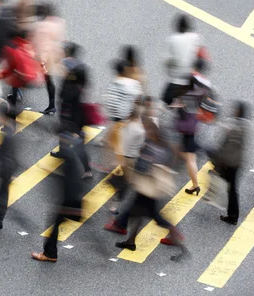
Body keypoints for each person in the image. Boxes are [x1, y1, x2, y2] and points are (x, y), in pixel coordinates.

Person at [106, 121, 186, 261]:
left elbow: (142, 166)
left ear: (154, 134)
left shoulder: (153, 147)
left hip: (147, 188)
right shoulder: (163, 148)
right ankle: (130, 240)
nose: (147, 133)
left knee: (153, 215)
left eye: (149, 131)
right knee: (138, 213)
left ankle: (175, 234)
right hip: (148, 187)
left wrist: (134, 166)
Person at [31, 129, 84, 262]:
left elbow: (69, 181)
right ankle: (50, 252)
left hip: (69, 200)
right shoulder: (73, 155)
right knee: (57, 223)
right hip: (73, 198)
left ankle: (50, 253)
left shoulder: (68, 155)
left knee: (55, 224)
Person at [207, 101, 249, 225]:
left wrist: (218, 158)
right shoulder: (245, 125)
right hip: (237, 162)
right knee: (232, 188)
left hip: (229, 163)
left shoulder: (233, 127)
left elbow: (227, 146)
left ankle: (232, 216)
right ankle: (232, 215)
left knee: (230, 187)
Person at [50, 59, 92, 179]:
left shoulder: (74, 90)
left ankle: (87, 170)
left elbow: (63, 96)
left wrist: (76, 130)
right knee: (63, 139)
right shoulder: (78, 86)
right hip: (67, 119)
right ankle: (62, 153)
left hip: (72, 122)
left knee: (78, 147)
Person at [0, 29, 43, 112]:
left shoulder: (12, 50)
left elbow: (10, 69)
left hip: (25, 77)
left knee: (15, 82)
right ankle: (16, 97)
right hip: (36, 76)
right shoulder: (28, 45)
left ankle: (13, 108)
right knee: (16, 84)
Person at [31, 2, 66, 114]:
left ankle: (52, 105)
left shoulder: (41, 26)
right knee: (49, 79)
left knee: (47, 79)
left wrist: (41, 59)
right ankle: (52, 105)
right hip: (55, 53)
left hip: (45, 56)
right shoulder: (58, 22)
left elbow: (39, 44)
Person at [102, 59, 143, 152]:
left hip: (115, 113)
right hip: (125, 113)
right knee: (121, 133)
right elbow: (138, 98)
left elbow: (108, 98)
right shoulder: (133, 83)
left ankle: (106, 140)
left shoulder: (114, 82)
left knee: (116, 126)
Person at [162, 15, 203, 106]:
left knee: (166, 99)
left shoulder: (173, 39)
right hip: (191, 77)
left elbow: (170, 59)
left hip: (177, 78)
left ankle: (177, 106)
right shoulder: (196, 37)